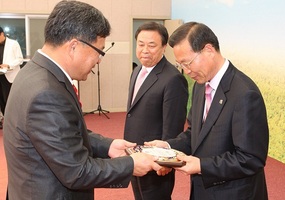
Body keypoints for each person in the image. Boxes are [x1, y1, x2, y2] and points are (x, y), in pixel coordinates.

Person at [3, 1, 165, 200]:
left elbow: (65, 132)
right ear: (74, 46)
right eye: (99, 51)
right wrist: (131, 165)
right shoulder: (46, 92)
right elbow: (77, 171)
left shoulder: (36, 72)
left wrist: (109, 145)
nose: (99, 61)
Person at [146, 22, 269, 199]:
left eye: (188, 63)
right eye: (181, 65)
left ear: (209, 50)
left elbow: (251, 159)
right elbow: (195, 134)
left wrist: (201, 166)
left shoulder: (244, 94)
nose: (186, 71)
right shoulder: (199, 86)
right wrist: (167, 147)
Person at [124, 22, 188, 200]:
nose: (145, 50)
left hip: (156, 161)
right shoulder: (137, 71)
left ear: (163, 47)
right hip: (134, 154)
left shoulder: (173, 79)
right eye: (141, 44)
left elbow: (173, 126)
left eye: (151, 45)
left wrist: (166, 161)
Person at [0, 26, 23, 129]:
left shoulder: (13, 44)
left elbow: (20, 59)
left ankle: (14, 123)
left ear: (2, 34)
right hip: (0, 76)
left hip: (10, 76)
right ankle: (5, 121)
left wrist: (8, 65)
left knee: (9, 100)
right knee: (1, 100)